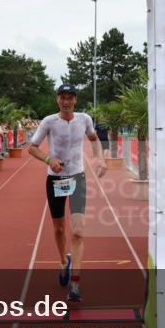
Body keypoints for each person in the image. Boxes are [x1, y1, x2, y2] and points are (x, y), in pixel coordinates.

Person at [28, 83, 106, 302]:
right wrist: (48, 159)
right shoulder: (49, 121)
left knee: (79, 231)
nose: (66, 101)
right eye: (62, 97)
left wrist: (100, 158)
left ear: (75, 100)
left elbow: (94, 139)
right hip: (55, 179)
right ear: (57, 100)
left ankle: (75, 284)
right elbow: (32, 147)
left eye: (70, 97)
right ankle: (64, 262)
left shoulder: (85, 119)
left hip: (77, 177)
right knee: (59, 228)